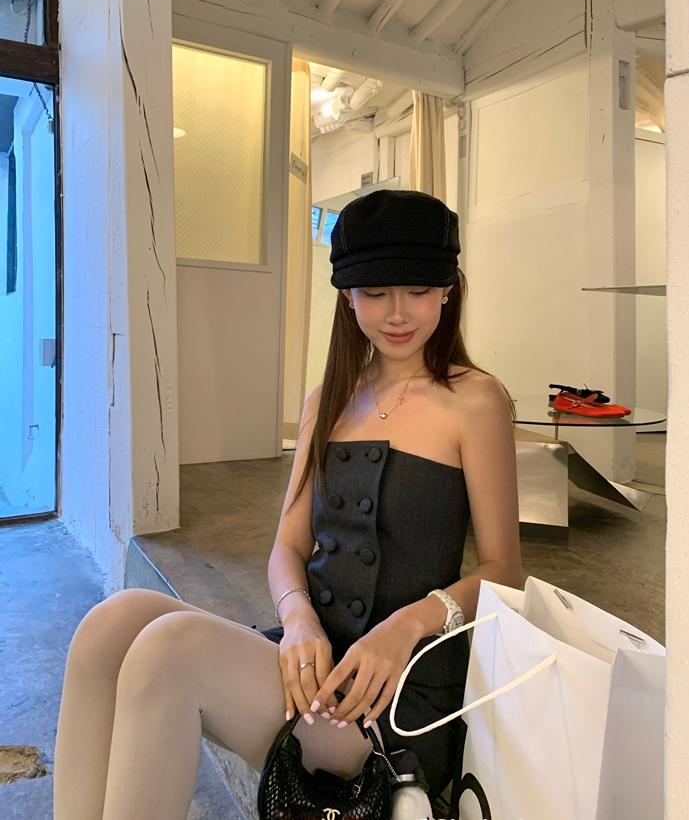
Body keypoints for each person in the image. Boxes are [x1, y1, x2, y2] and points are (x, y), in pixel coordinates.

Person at [53, 188, 522, 819]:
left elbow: (503, 570)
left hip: (393, 698)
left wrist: (408, 625)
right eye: (375, 292)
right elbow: (288, 546)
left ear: (447, 290)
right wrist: (298, 619)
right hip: (312, 660)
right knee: (112, 623)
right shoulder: (327, 400)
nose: (397, 313)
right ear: (347, 296)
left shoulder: (476, 400)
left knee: (170, 650)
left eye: (417, 290)